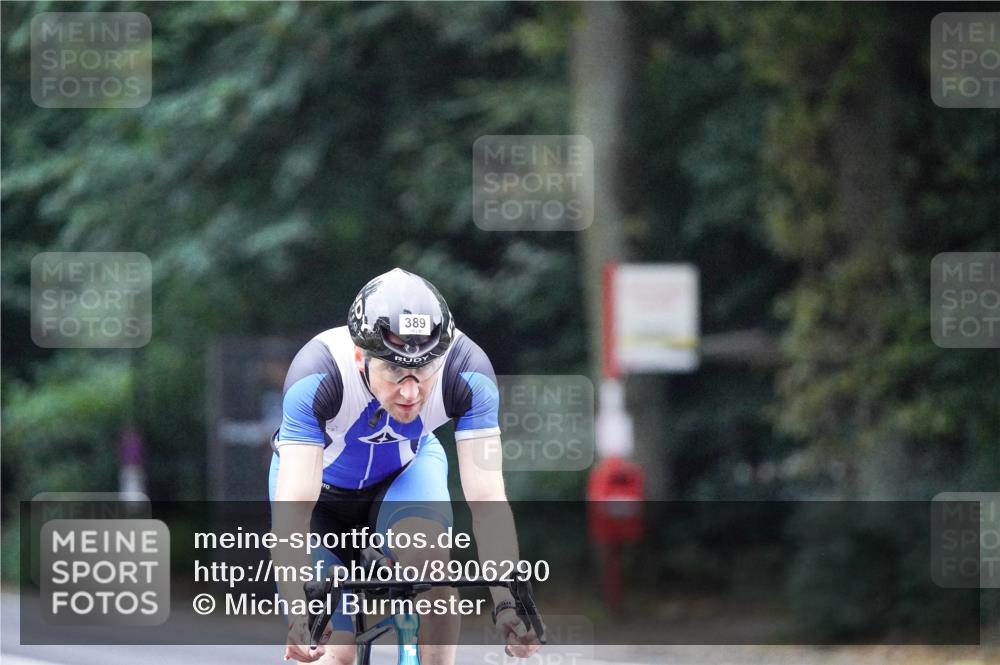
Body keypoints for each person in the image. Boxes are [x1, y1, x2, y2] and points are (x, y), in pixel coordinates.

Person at [268, 267, 541, 665]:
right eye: (395, 369)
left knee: (431, 567)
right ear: (361, 356)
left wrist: (507, 603)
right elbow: (293, 514)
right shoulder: (318, 372)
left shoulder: (468, 372)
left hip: (406, 474)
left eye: (425, 368)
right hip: (319, 499)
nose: (411, 391)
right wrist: (300, 612)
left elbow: (487, 502)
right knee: (335, 652)